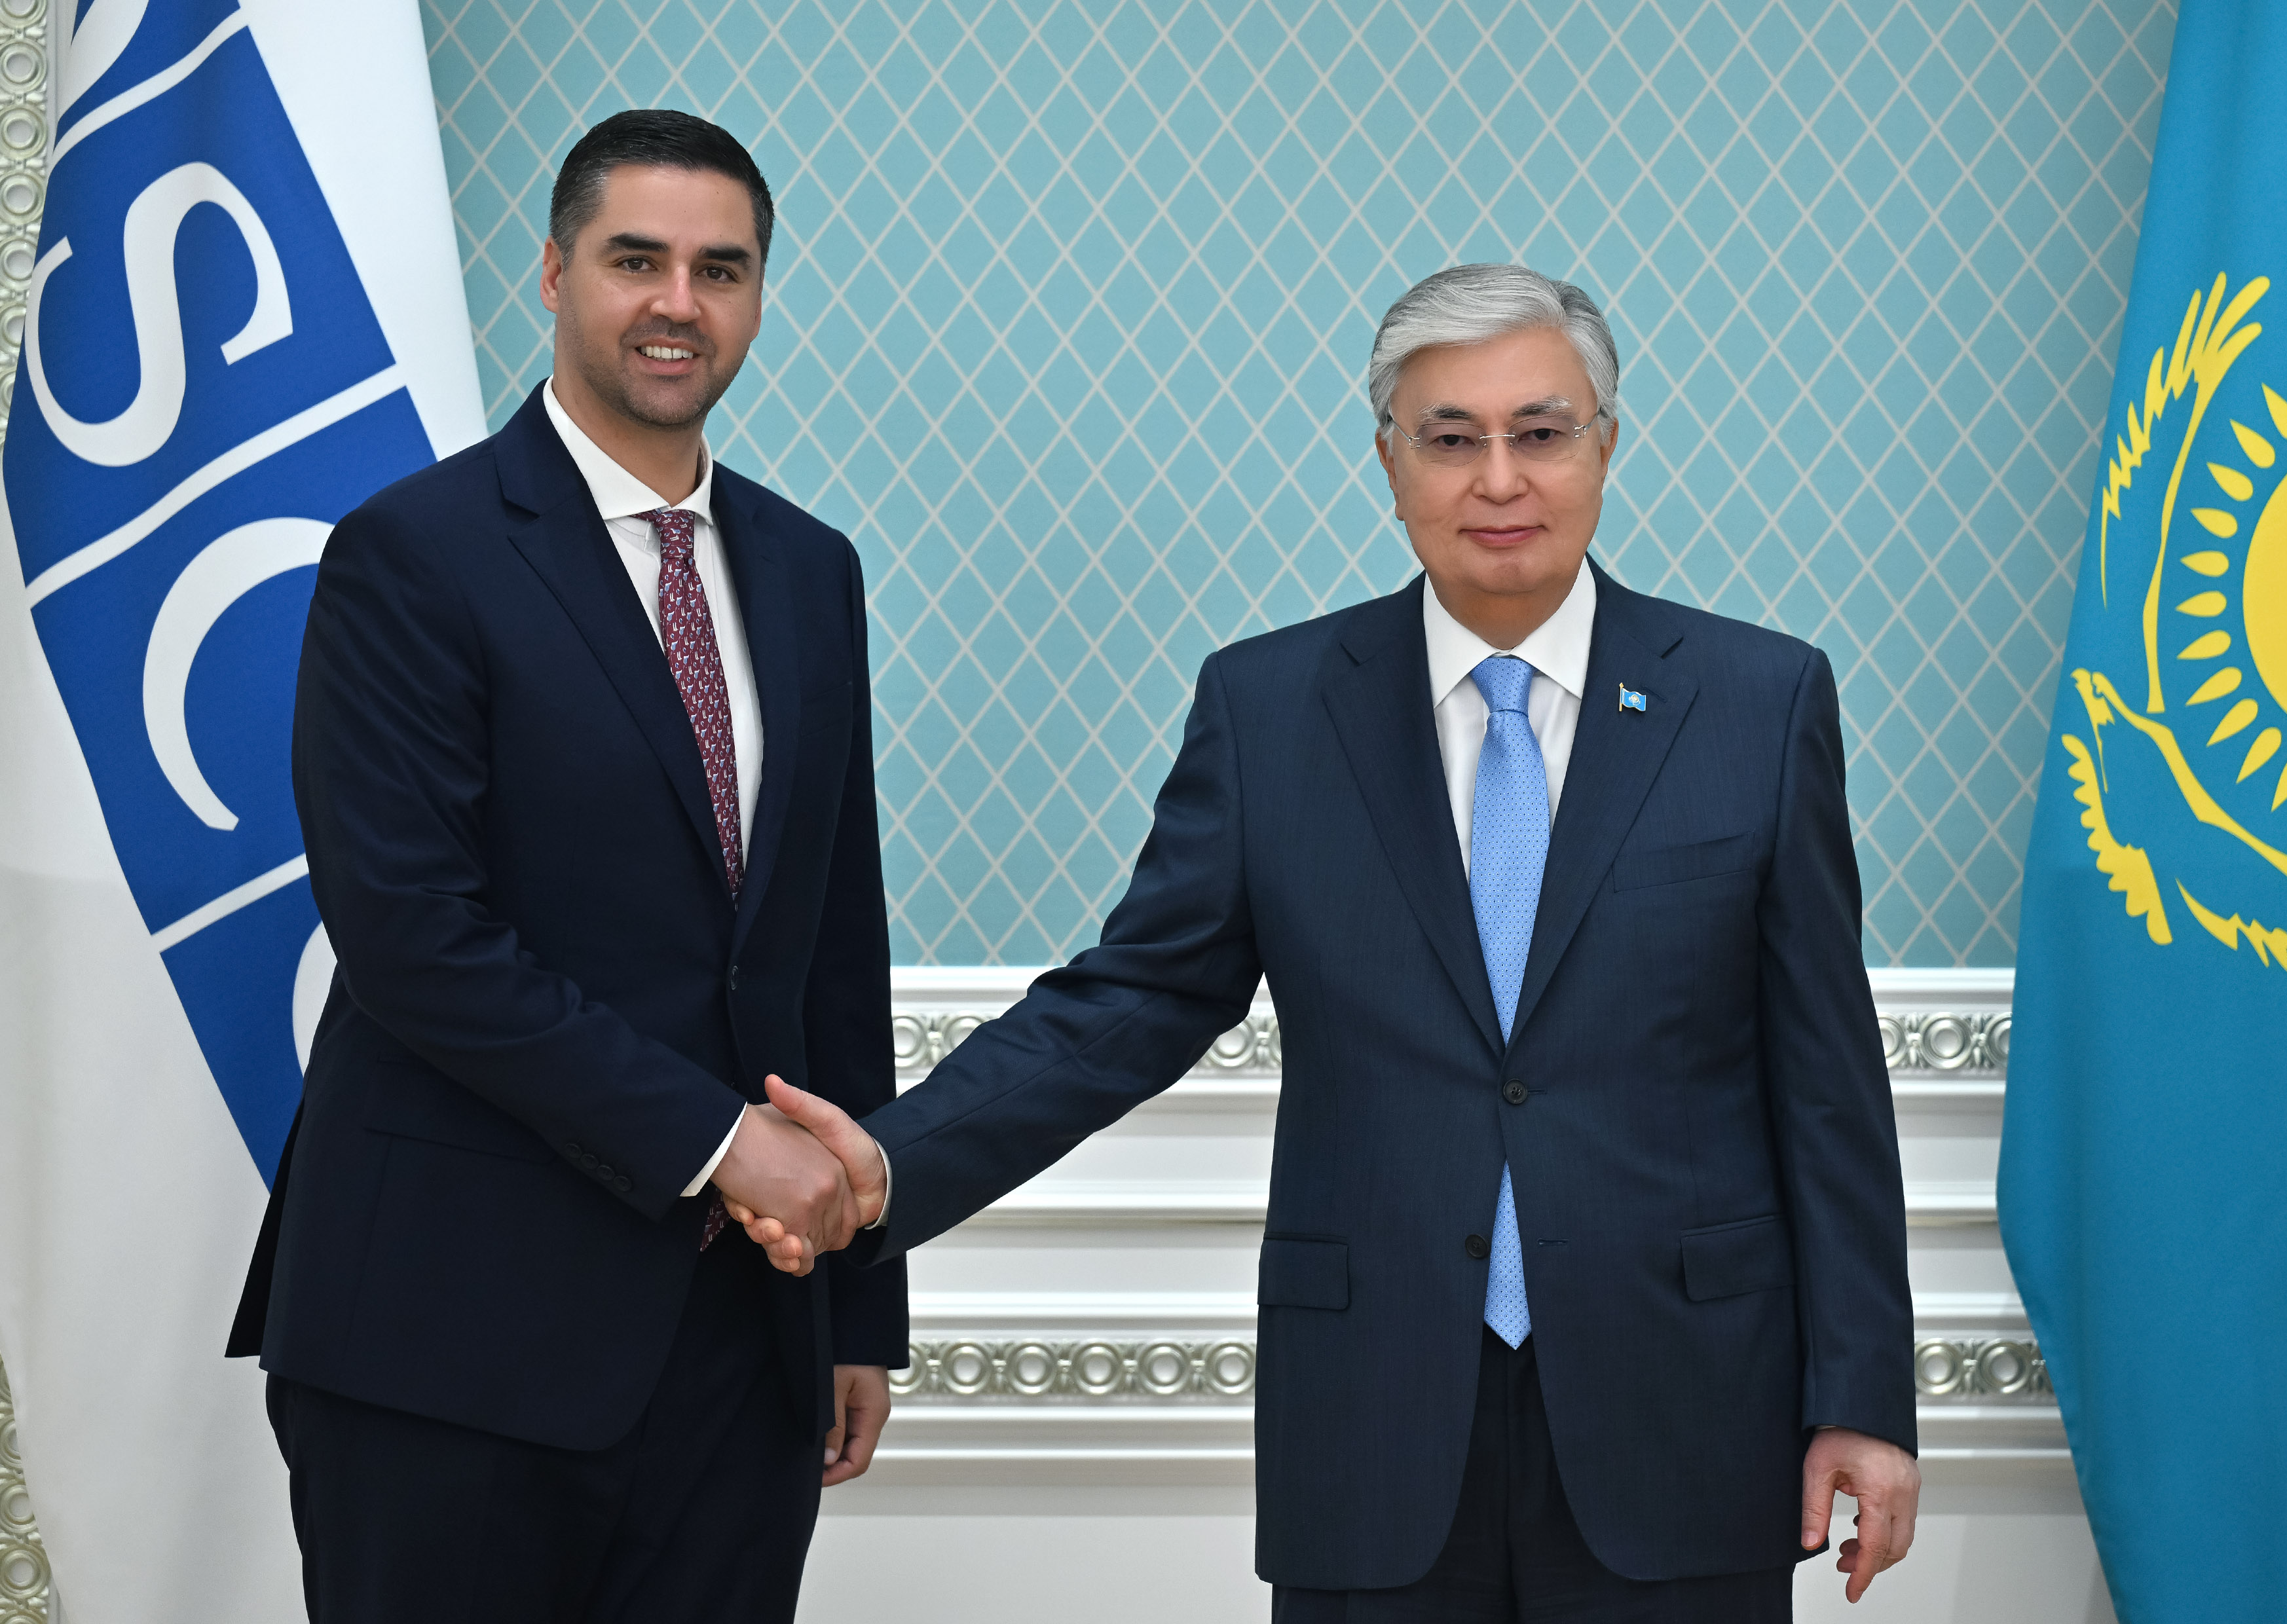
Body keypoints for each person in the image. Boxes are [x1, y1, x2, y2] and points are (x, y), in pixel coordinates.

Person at [754, 264, 1921, 1620]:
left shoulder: (1758, 700)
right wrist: (888, 1162)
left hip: (1685, 1409)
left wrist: (1862, 1394)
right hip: (1374, 1417)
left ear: (1605, 444)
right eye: (1450, 436)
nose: (1499, 478)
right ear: (1388, 461)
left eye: (1540, 432)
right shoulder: (1270, 708)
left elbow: (1826, 1083)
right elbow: (1130, 1003)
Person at [227, 109, 899, 1622]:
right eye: (635, 259)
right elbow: (414, 937)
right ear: (551, 274)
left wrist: (862, 1301)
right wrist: (722, 1144)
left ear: (757, 294)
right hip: (446, 1333)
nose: (678, 303)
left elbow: (828, 946)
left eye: (720, 269)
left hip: (741, 1342)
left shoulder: (811, 570)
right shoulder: (414, 551)